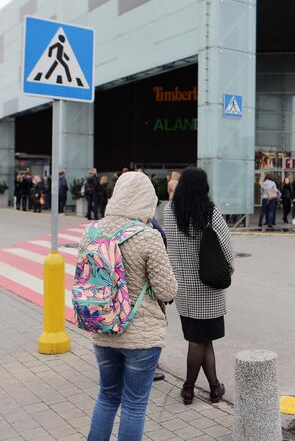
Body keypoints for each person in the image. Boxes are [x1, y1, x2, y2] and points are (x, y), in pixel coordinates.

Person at [86, 172, 177, 441]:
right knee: (135, 405)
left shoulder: (91, 232)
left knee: (107, 396)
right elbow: (166, 290)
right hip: (141, 336)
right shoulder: (148, 237)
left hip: (103, 330)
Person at [163, 167, 233, 406]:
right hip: (208, 288)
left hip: (183, 288)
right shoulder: (210, 212)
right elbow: (226, 248)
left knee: (202, 340)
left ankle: (215, 387)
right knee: (199, 341)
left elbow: (169, 247)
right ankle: (188, 387)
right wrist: (228, 271)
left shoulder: (170, 212)